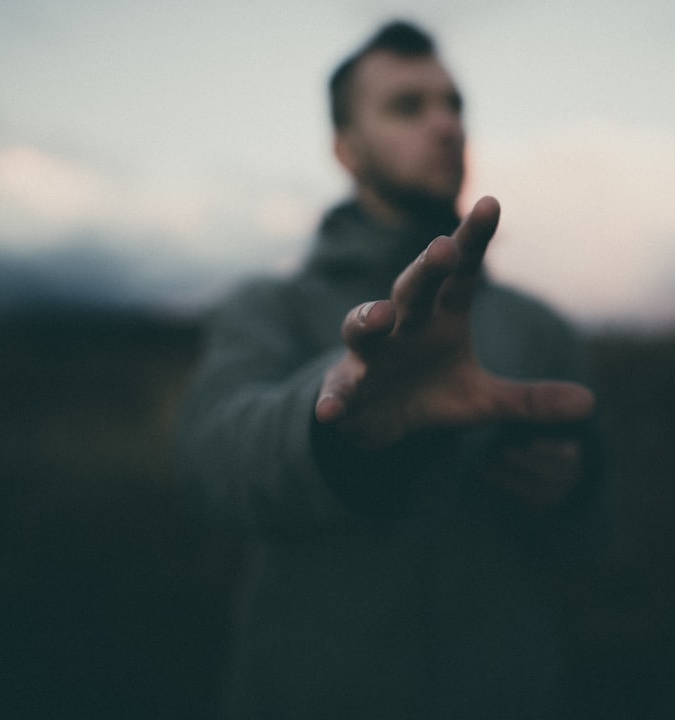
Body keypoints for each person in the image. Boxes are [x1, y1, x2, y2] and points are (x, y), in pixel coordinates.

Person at [178, 20, 608, 720]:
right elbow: (210, 464)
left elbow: (586, 544)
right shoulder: (271, 309)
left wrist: (574, 486)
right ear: (347, 150)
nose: (445, 125)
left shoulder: (538, 328)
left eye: (453, 103)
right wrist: (335, 426)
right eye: (408, 107)